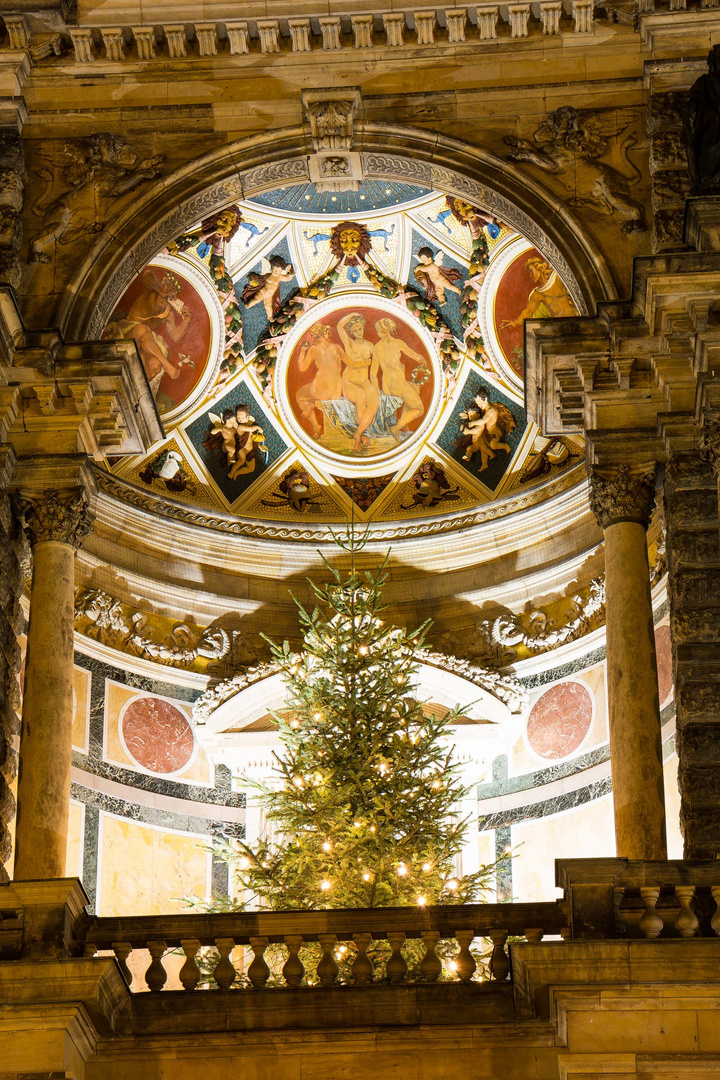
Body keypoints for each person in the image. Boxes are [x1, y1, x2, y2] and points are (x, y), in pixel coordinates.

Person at [103, 268, 193, 396]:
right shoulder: (151, 294)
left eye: (171, 291)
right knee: (144, 329)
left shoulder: (168, 314)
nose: (166, 294)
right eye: (167, 286)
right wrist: (161, 290)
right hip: (127, 333)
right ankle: (167, 365)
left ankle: (136, 392)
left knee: (155, 364)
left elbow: (175, 336)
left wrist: (186, 322)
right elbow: (147, 275)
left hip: (144, 344)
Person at [371, 318, 429, 440]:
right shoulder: (397, 343)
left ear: (384, 330)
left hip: (387, 385)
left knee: (414, 387)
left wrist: (377, 389)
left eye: (377, 330)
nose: (376, 333)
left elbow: (373, 374)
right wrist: (423, 362)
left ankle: (404, 425)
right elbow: (415, 356)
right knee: (419, 409)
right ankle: (396, 428)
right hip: (398, 383)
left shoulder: (376, 347)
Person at [337, 312, 380, 451]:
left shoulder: (370, 345)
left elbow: (379, 359)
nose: (358, 332)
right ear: (351, 332)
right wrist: (353, 314)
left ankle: (359, 433)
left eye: (359, 329)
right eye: (354, 330)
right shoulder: (348, 343)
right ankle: (360, 436)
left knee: (374, 403)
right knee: (361, 397)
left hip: (365, 381)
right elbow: (339, 326)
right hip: (350, 381)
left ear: (363, 328)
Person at [295, 323, 345, 437]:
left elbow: (302, 368)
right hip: (336, 390)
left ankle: (315, 424)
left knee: (300, 395)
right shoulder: (336, 347)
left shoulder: (313, 348)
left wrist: (303, 350)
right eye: (329, 333)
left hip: (320, 389)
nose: (330, 336)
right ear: (325, 333)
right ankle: (311, 409)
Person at [501, 257, 576, 329]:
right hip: (559, 326)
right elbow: (528, 311)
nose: (530, 276)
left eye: (531, 271)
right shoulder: (537, 294)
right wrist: (515, 323)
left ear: (538, 267)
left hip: (574, 321)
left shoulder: (556, 278)